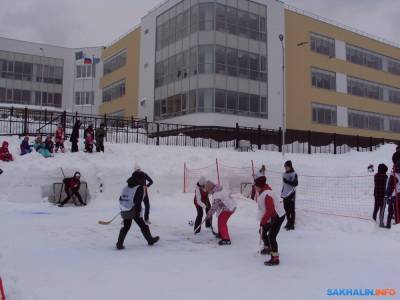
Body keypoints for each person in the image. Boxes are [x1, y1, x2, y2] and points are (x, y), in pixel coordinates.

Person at [116, 171, 160, 250]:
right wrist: (138, 212)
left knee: (126, 227)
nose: (144, 179)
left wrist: (123, 209)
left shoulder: (126, 186)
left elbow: (120, 198)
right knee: (143, 226)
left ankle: (119, 244)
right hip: (134, 210)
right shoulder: (139, 187)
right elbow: (138, 202)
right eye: (143, 178)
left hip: (125, 209)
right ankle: (150, 240)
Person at [254, 172, 285, 266]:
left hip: (278, 216)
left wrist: (264, 221)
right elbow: (265, 209)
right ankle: (267, 248)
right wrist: (262, 221)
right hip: (272, 215)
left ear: (259, 185)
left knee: (272, 236)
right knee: (262, 231)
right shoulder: (262, 191)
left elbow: (270, 210)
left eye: (255, 185)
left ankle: (275, 258)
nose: (254, 186)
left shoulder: (267, 194)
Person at [205, 180, 237, 245]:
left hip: (228, 208)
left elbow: (214, 207)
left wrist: (208, 215)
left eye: (208, 191)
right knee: (220, 219)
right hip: (228, 206)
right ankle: (221, 234)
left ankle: (226, 239)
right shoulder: (218, 189)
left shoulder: (217, 195)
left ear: (210, 189)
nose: (209, 193)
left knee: (222, 222)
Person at [281, 160, 298, 230]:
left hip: (291, 194)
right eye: (285, 167)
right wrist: (282, 192)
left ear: (290, 166)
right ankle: (288, 222)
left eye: (286, 167)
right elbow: (284, 185)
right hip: (285, 194)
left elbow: (296, 184)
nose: (285, 168)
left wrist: (287, 181)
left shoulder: (294, 174)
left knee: (291, 209)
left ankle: (292, 224)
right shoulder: (284, 174)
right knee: (286, 209)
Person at [385, 161, 400, 228]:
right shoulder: (396, 175)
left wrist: (388, 195)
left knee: (392, 211)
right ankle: (395, 224)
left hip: (394, 196)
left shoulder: (394, 175)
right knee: (396, 210)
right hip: (397, 195)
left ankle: (394, 225)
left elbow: (390, 187)